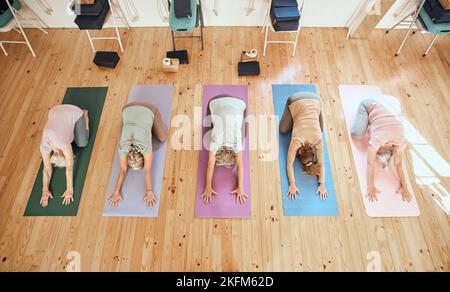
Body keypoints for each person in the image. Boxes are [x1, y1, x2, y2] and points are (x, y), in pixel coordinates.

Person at [351, 96, 412, 203]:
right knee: (357, 134)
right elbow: (370, 164)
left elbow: (398, 165)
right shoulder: (377, 140)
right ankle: (370, 117)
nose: (378, 153)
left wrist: (405, 186)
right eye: (379, 152)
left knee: (374, 127)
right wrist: (370, 186)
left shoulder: (400, 142)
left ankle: (375, 121)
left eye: (378, 153)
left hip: (391, 102)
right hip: (371, 103)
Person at [108, 102, 168, 209]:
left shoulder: (146, 148)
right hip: (126, 108)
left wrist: (149, 191)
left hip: (149, 108)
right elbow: (122, 170)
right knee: (123, 132)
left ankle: (146, 119)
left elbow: (147, 172)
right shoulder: (122, 147)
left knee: (162, 138)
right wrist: (116, 191)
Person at [280, 92, 328, 201]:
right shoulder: (296, 141)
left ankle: (299, 115)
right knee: (282, 130)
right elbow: (289, 164)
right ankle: (297, 114)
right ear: (299, 152)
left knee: (321, 130)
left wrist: (322, 183)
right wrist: (292, 183)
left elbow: (321, 164)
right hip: (295, 99)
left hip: (317, 99)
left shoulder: (319, 141)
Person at [40, 104, 89, 207]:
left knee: (82, 143)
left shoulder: (63, 144)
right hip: (54, 110)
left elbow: (69, 168)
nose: (59, 153)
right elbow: (47, 169)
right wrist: (45, 190)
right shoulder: (44, 146)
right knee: (71, 137)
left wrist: (69, 189)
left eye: (63, 156)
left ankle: (84, 116)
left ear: (57, 153)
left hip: (74, 112)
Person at [202, 95, 248, 205]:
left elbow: (240, 165)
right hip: (216, 103)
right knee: (207, 133)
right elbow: (210, 165)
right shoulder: (215, 142)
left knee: (243, 134)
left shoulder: (237, 142)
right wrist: (208, 187)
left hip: (239, 104)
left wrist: (240, 188)